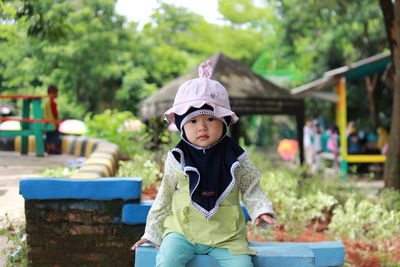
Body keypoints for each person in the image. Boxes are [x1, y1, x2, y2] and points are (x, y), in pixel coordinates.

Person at [132, 61, 280, 267]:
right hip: (183, 232)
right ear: (182, 126)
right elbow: (164, 195)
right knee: (168, 260)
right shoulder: (177, 158)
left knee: (243, 265)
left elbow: (251, 187)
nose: (202, 127)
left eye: (210, 119)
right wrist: (152, 233)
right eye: (192, 121)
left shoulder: (236, 157)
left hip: (227, 235)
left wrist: (261, 211)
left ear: (224, 121)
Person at [43, 84, 61, 154]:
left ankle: (49, 149)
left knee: (49, 136)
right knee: (54, 137)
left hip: (47, 123)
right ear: (52, 92)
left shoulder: (46, 103)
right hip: (53, 123)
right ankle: (53, 149)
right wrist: (57, 123)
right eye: (56, 92)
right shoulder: (53, 103)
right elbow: (55, 114)